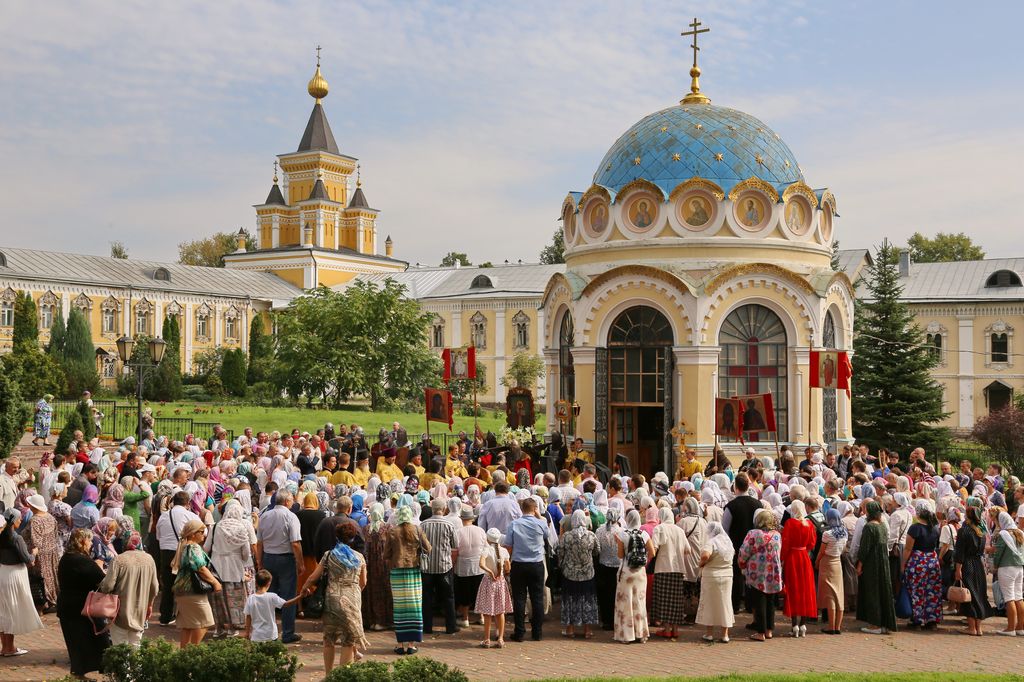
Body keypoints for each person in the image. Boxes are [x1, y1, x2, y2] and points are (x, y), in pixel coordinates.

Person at [299, 522, 369, 673]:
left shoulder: (329, 555)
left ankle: (329, 675)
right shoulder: (359, 557)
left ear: (336, 536)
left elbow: (313, 578)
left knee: (329, 640)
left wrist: (304, 589)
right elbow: (363, 582)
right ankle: (342, 676)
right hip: (352, 600)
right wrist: (353, 591)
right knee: (348, 641)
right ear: (353, 538)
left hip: (332, 599)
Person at [55, 528, 106, 673]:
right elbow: (101, 580)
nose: (91, 544)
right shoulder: (82, 560)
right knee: (98, 639)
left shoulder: (66, 558)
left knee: (75, 644)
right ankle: (101, 666)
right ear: (82, 541)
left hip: (67, 605)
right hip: (82, 607)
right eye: (89, 540)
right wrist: (100, 566)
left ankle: (79, 670)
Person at [205, 499, 257, 638]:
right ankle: (233, 628)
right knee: (234, 600)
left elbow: (206, 548)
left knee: (218, 600)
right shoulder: (241, 528)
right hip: (234, 568)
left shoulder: (216, 527)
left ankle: (219, 628)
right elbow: (246, 554)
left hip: (216, 567)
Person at [257, 490, 303, 644]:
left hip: (269, 558)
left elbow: (260, 543)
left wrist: (260, 562)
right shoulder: (291, 517)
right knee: (288, 596)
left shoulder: (264, 516)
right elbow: (295, 543)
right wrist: (300, 563)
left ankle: (267, 633)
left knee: (268, 596)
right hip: (286, 559)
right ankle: (287, 632)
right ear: (287, 501)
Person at [97, 533, 159, 646]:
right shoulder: (149, 559)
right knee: (136, 645)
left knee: (120, 646)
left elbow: (107, 586)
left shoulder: (119, 559)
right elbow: (154, 588)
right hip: (140, 611)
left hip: (119, 611)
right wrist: (149, 604)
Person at [1, 509, 44, 658]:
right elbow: (28, 560)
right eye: (19, 519)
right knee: (11, 611)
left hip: (3, 572)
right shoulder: (16, 538)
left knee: (3, 611)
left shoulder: (1, 536)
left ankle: (5, 647)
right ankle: (10, 648)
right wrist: (34, 553)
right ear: (14, 521)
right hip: (15, 575)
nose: (21, 521)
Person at [504, 496, 548, 642]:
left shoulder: (514, 524)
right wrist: (539, 516)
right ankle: (537, 632)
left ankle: (519, 632)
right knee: (537, 598)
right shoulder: (541, 523)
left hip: (519, 563)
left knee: (519, 598)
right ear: (535, 509)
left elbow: (508, 545)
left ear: (522, 509)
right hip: (536, 564)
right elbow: (548, 536)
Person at [171, 519, 222, 647]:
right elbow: (200, 568)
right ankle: (193, 650)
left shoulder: (184, 546)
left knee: (188, 625)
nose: (204, 534)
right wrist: (215, 582)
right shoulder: (193, 547)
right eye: (202, 531)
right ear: (193, 534)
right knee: (205, 622)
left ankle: (184, 653)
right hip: (192, 590)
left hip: (182, 590)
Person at [387, 505, 429, 655]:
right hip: (414, 572)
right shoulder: (417, 529)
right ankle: (411, 645)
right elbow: (428, 548)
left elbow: (386, 554)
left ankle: (400, 645)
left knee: (399, 607)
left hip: (397, 573)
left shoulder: (392, 531)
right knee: (414, 606)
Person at [155, 490, 200, 626]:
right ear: (187, 503)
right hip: (183, 552)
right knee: (186, 585)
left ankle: (165, 616)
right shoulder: (190, 515)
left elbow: (158, 536)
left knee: (168, 586)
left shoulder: (164, 516)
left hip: (166, 552)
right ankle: (186, 617)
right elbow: (203, 532)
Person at [738, 508, 783, 641]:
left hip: (757, 571)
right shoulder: (777, 535)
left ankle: (760, 632)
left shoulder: (753, 533)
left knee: (759, 601)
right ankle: (769, 630)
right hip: (773, 570)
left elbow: (744, 551)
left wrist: (741, 563)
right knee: (770, 601)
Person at [556, 509, 599, 638]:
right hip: (588, 573)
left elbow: (560, 552)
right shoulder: (591, 535)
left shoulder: (566, 536)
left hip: (570, 573)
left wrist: (562, 564)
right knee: (587, 600)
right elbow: (597, 551)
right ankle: (587, 630)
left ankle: (570, 629)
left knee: (570, 600)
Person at [613, 508, 654, 644]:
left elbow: (620, 555)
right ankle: (641, 634)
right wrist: (643, 562)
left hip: (626, 571)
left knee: (625, 603)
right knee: (640, 602)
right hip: (640, 572)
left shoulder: (622, 535)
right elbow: (652, 552)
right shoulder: (644, 534)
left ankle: (626, 635)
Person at [857, 501, 897, 634]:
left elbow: (864, 548)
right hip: (883, 562)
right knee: (883, 591)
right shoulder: (883, 526)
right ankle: (885, 622)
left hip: (872, 564)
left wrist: (859, 565)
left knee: (872, 592)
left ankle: (874, 624)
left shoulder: (869, 527)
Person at [420, 498, 459, 635]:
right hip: (444, 567)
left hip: (427, 568)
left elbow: (419, 545)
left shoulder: (423, 524)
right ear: (444, 509)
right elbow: (455, 546)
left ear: (432, 509)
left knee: (427, 598)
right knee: (448, 598)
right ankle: (451, 627)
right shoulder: (449, 525)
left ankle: (427, 627)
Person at [902, 503, 943, 629]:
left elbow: (908, 549)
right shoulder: (935, 527)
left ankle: (917, 620)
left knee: (916, 590)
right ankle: (932, 620)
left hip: (917, 562)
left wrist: (902, 565)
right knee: (932, 591)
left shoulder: (915, 528)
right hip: (932, 561)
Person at [650, 505, 688, 639]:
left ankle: (666, 629)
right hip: (678, 569)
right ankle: (675, 630)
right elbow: (688, 550)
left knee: (664, 599)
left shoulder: (659, 528)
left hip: (663, 568)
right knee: (675, 600)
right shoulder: (680, 530)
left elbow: (654, 548)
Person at [781, 500, 817, 637]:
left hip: (792, 558)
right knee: (805, 590)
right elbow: (812, 543)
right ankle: (803, 624)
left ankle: (794, 625)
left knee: (793, 589)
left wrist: (782, 558)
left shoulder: (790, 523)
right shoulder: (809, 524)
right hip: (804, 557)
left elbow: (785, 543)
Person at [695, 521, 735, 643]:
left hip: (711, 576)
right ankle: (725, 634)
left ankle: (709, 634)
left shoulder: (711, 542)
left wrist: (701, 564)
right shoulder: (728, 542)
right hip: (727, 575)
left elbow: (705, 556)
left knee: (709, 604)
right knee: (725, 603)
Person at [954, 506, 990, 636]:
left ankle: (971, 627)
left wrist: (958, 569)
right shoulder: (981, 532)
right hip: (978, 564)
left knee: (969, 595)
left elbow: (960, 552)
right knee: (979, 594)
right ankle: (978, 628)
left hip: (967, 564)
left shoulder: (964, 531)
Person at [243, 569, 303, 643]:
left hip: (257, 636)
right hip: (271, 635)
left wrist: (247, 633)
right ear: (269, 583)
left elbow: (248, 617)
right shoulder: (272, 596)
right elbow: (286, 604)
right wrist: (300, 596)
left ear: (256, 583)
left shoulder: (250, 598)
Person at [24, 494, 60, 610]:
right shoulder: (50, 517)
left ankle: (45, 602)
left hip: (41, 555)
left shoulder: (35, 520)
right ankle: (54, 598)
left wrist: (32, 557)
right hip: (52, 552)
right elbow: (55, 535)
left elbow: (36, 542)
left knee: (41, 577)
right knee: (52, 576)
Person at [992, 510, 1024, 636]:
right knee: (1019, 597)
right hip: (1019, 568)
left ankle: (1010, 628)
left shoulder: (1004, 534)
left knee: (1009, 598)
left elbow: (998, 553)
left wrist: (995, 566)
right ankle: (1020, 627)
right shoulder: (1020, 532)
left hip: (1006, 568)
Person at [454, 506, 487, 628]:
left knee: (464, 593)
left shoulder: (458, 532)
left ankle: (465, 618)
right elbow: (486, 548)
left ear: (462, 519)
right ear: (472, 519)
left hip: (463, 567)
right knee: (479, 593)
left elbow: (455, 550)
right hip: (479, 566)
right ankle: (481, 617)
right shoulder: (480, 531)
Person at [676, 497, 707, 624]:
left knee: (688, 586)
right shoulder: (704, 522)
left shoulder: (684, 522)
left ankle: (689, 613)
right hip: (701, 558)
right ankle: (697, 614)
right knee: (697, 586)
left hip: (688, 558)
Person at [817, 508, 847, 634]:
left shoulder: (827, 534)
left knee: (830, 595)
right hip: (837, 562)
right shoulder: (844, 532)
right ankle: (838, 626)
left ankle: (831, 626)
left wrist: (816, 562)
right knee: (839, 593)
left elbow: (822, 551)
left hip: (827, 562)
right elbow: (843, 550)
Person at [363, 503, 393, 631]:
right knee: (384, 590)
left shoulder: (366, 528)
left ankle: (372, 620)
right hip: (384, 565)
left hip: (370, 565)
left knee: (371, 590)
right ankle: (383, 621)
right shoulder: (387, 527)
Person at [595, 508, 622, 630]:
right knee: (616, 595)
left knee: (604, 595)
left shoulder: (599, 531)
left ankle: (606, 620)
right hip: (617, 567)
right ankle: (616, 620)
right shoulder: (622, 531)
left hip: (603, 566)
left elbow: (597, 549)